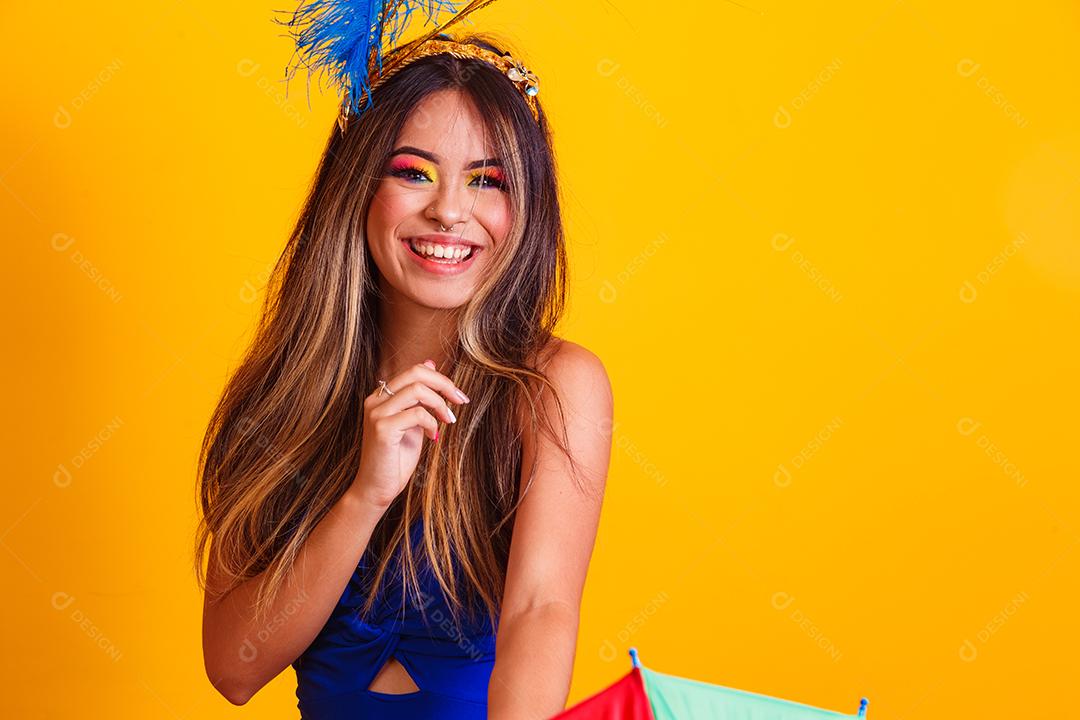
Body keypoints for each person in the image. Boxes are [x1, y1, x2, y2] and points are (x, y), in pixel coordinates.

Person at [194, 12, 614, 718]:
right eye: (414, 172)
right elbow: (234, 669)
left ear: (526, 207)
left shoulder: (554, 388)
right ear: (358, 188)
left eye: (488, 181)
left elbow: (540, 611)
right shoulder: (278, 399)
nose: (450, 212)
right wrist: (365, 494)